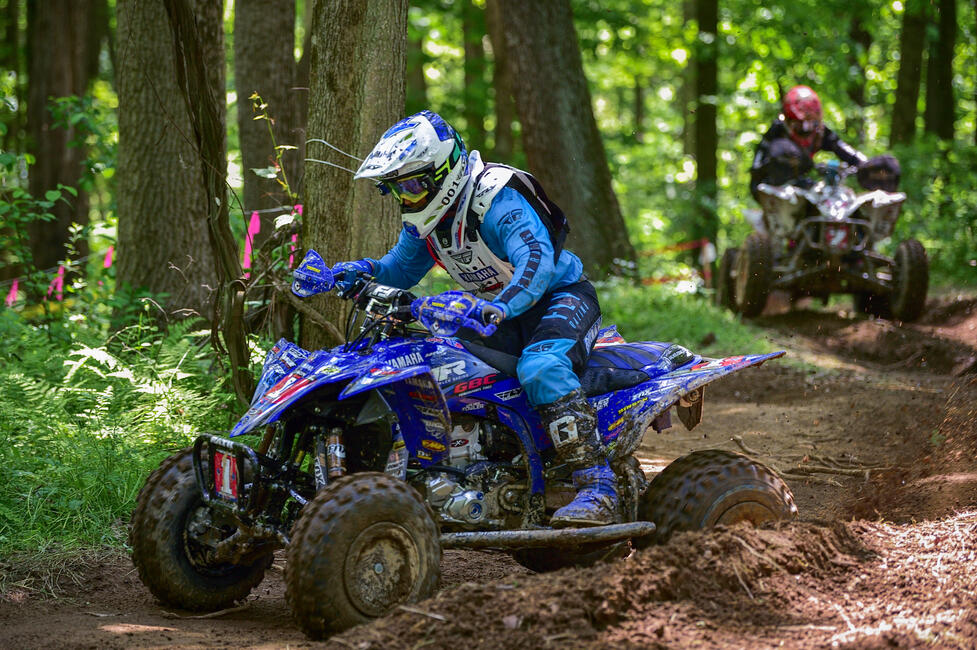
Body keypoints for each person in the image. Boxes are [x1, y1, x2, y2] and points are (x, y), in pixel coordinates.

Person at [332, 110, 616, 527]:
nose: (406, 199)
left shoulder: (494, 197)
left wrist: (499, 306)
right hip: (492, 311)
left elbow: (534, 261)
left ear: (442, 169)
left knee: (540, 366)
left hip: (557, 297)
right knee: (428, 359)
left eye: (411, 185)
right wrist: (356, 271)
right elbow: (399, 269)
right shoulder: (427, 221)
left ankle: (598, 484)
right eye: (397, 190)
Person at [749, 85, 900, 201]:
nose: (807, 129)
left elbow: (846, 152)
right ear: (788, 122)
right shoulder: (776, 133)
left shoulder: (821, 133)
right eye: (800, 125)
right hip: (779, 193)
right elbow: (756, 170)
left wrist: (867, 167)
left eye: (812, 123)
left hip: (813, 191)